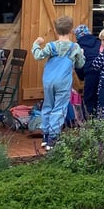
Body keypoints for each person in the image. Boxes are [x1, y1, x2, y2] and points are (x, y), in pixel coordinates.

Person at [31, 15, 85, 149]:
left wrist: (36, 44)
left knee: (47, 106)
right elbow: (80, 65)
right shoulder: (75, 47)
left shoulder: (51, 46)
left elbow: (38, 56)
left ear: (55, 30)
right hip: (63, 82)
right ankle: (53, 138)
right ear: (71, 30)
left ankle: (45, 136)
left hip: (48, 80)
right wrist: (81, 54)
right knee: (59, 108)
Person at [73, 24, 101, 118]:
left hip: (90, 72)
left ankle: (91, 118)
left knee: (89, 98)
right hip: (103, 72)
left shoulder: (78, 46)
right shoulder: (99, 42)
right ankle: (103, 119)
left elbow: (78, 64)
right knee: (102, 97)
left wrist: (81, 76)